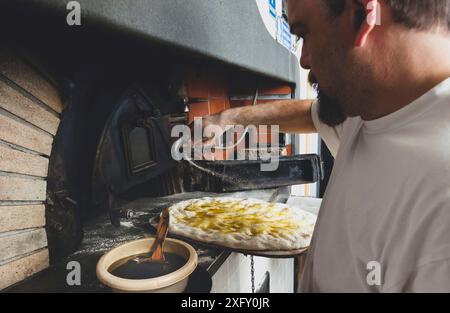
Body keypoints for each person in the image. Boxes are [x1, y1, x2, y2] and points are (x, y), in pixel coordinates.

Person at [201, 0, 450, 292]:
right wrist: (227, 119)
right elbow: (310, 113)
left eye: (304, 33)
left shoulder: (440, 207)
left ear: (362, 15)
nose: (304, 59)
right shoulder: (374, 104)